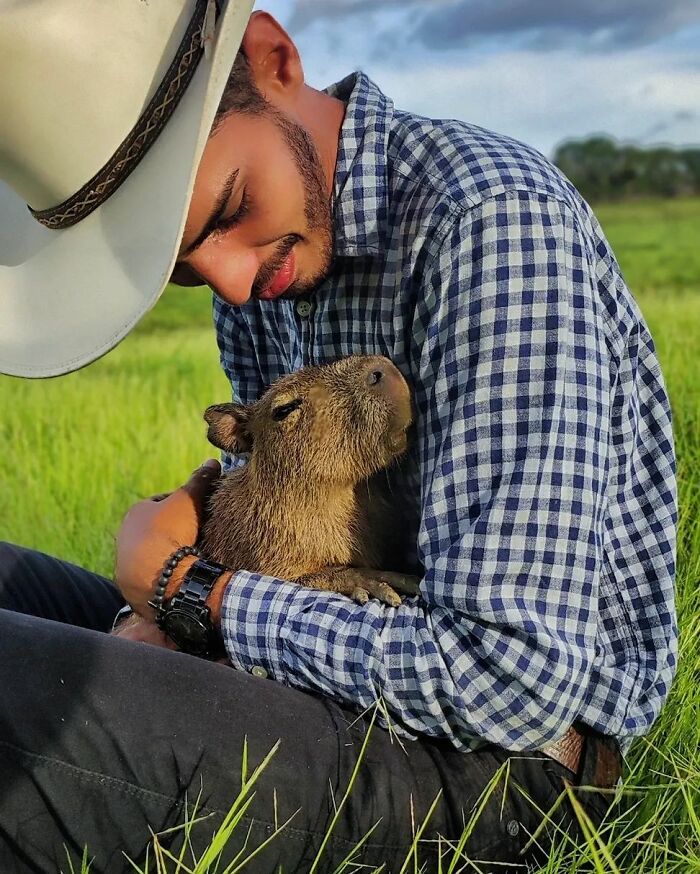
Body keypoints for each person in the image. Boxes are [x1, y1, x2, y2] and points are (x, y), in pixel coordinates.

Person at [0, 2, 678, 872]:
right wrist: (181, 533)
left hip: (495, 770)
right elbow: (271, 485)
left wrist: (191, 594)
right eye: (180, 269)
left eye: (230, 208)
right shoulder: (258, 273)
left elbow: (512, 684)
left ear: (274, 56)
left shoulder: (492, 223)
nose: (234, 285)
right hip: (318, 677)